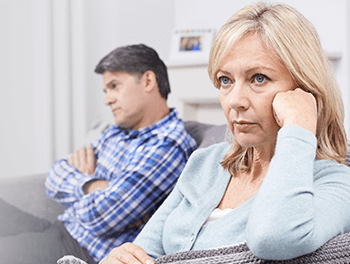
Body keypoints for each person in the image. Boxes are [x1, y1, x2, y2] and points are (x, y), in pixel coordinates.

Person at [100, 2, 350, 264]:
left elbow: (272, 238)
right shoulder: (206, 162)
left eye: (259, 78)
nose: (234, 101)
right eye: (225, 80)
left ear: (303, 90)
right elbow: (142, 252)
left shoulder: (336, 183)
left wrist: (298, 125)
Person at [0, 44, 197, 264]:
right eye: (106, 91)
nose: (107, 99)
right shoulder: (116, 131)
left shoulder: (168, 146)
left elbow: (102, 217)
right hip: (63, 228)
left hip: (82, 250)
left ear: (148, 81)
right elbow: (55, 175)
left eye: (114, 86)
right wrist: (93, 185)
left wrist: (80, 187)